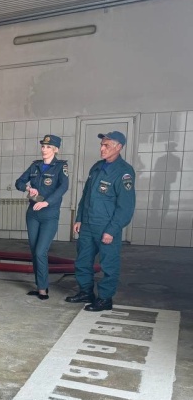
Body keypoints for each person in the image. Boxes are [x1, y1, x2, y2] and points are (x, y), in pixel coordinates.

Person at [66, 131, 135, 311]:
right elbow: (86, 196)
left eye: (106, 145)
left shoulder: (124, 172)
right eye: (101, 145)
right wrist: (79, 218)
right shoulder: (97, 167)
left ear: (119, 147)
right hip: (88, 224)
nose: (102, 148)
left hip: (106, 227)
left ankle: (105, 299)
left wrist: (112, 230)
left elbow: (125, 207)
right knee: (82, 260)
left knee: (108, 264)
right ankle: (86, 292)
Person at [15, 134, 69, 300]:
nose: (44, 149)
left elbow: (63, 187)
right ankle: (41, 287)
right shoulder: (35, 166)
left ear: (55, 149)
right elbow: (19, 182)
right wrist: (27, 189)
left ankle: (43, 288)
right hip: (32, 214)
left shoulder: (60, 167)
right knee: (34, 252)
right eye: (43, 146)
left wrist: (47, 202)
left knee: (40, 251)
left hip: (49, 214)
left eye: (48, 147)